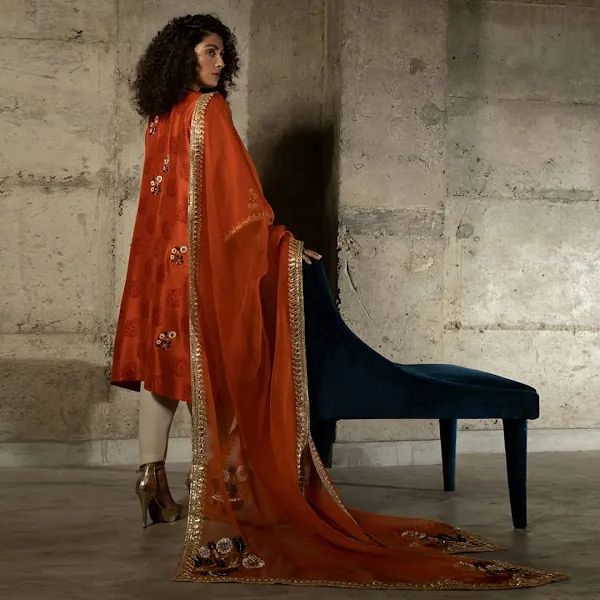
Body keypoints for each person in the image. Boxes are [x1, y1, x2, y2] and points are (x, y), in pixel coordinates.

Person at [111, 14, 566, 591]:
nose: (220, 63)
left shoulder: (159, 117)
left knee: (165, 367)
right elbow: (239, 202)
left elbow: (169, 205)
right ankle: (228, 495)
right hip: (201, 273)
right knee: (224, 372)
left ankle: (151, 481)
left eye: (222, 53)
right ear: (183, 55)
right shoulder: (208, 111)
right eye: (210, 52)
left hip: (159, 270)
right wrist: (281, 243)